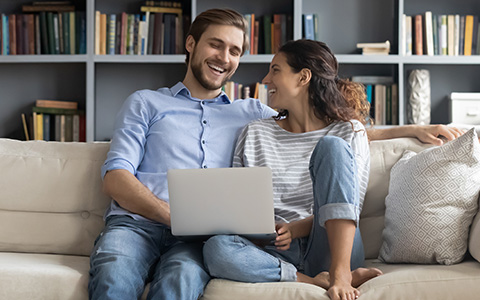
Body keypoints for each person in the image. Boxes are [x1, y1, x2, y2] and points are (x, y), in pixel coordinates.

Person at [89, 7, 464, 300]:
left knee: (183, 279)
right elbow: (115, 176)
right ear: (191, 45)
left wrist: (411, 129)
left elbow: (323, 124)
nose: (225, 57)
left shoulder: (248, 111)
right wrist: (175, 216)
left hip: (196, 241)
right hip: (137, 226)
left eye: (235, 51)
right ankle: (315, 280)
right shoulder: (147, 103)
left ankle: (329, 274)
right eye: (215, 45)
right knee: (115, 273)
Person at [201, 39, 462, 300]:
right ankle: (312, 281)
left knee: (331, 147)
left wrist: (295, 229)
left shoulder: (347, 131)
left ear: (303, 77)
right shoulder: (255, 133)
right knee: (216, 248)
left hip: (333, 245)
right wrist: (260, 231)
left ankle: (340, 275)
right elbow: (238, 212)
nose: (266, 79)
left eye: (275, 70)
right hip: (273, 249)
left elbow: (347, 208)